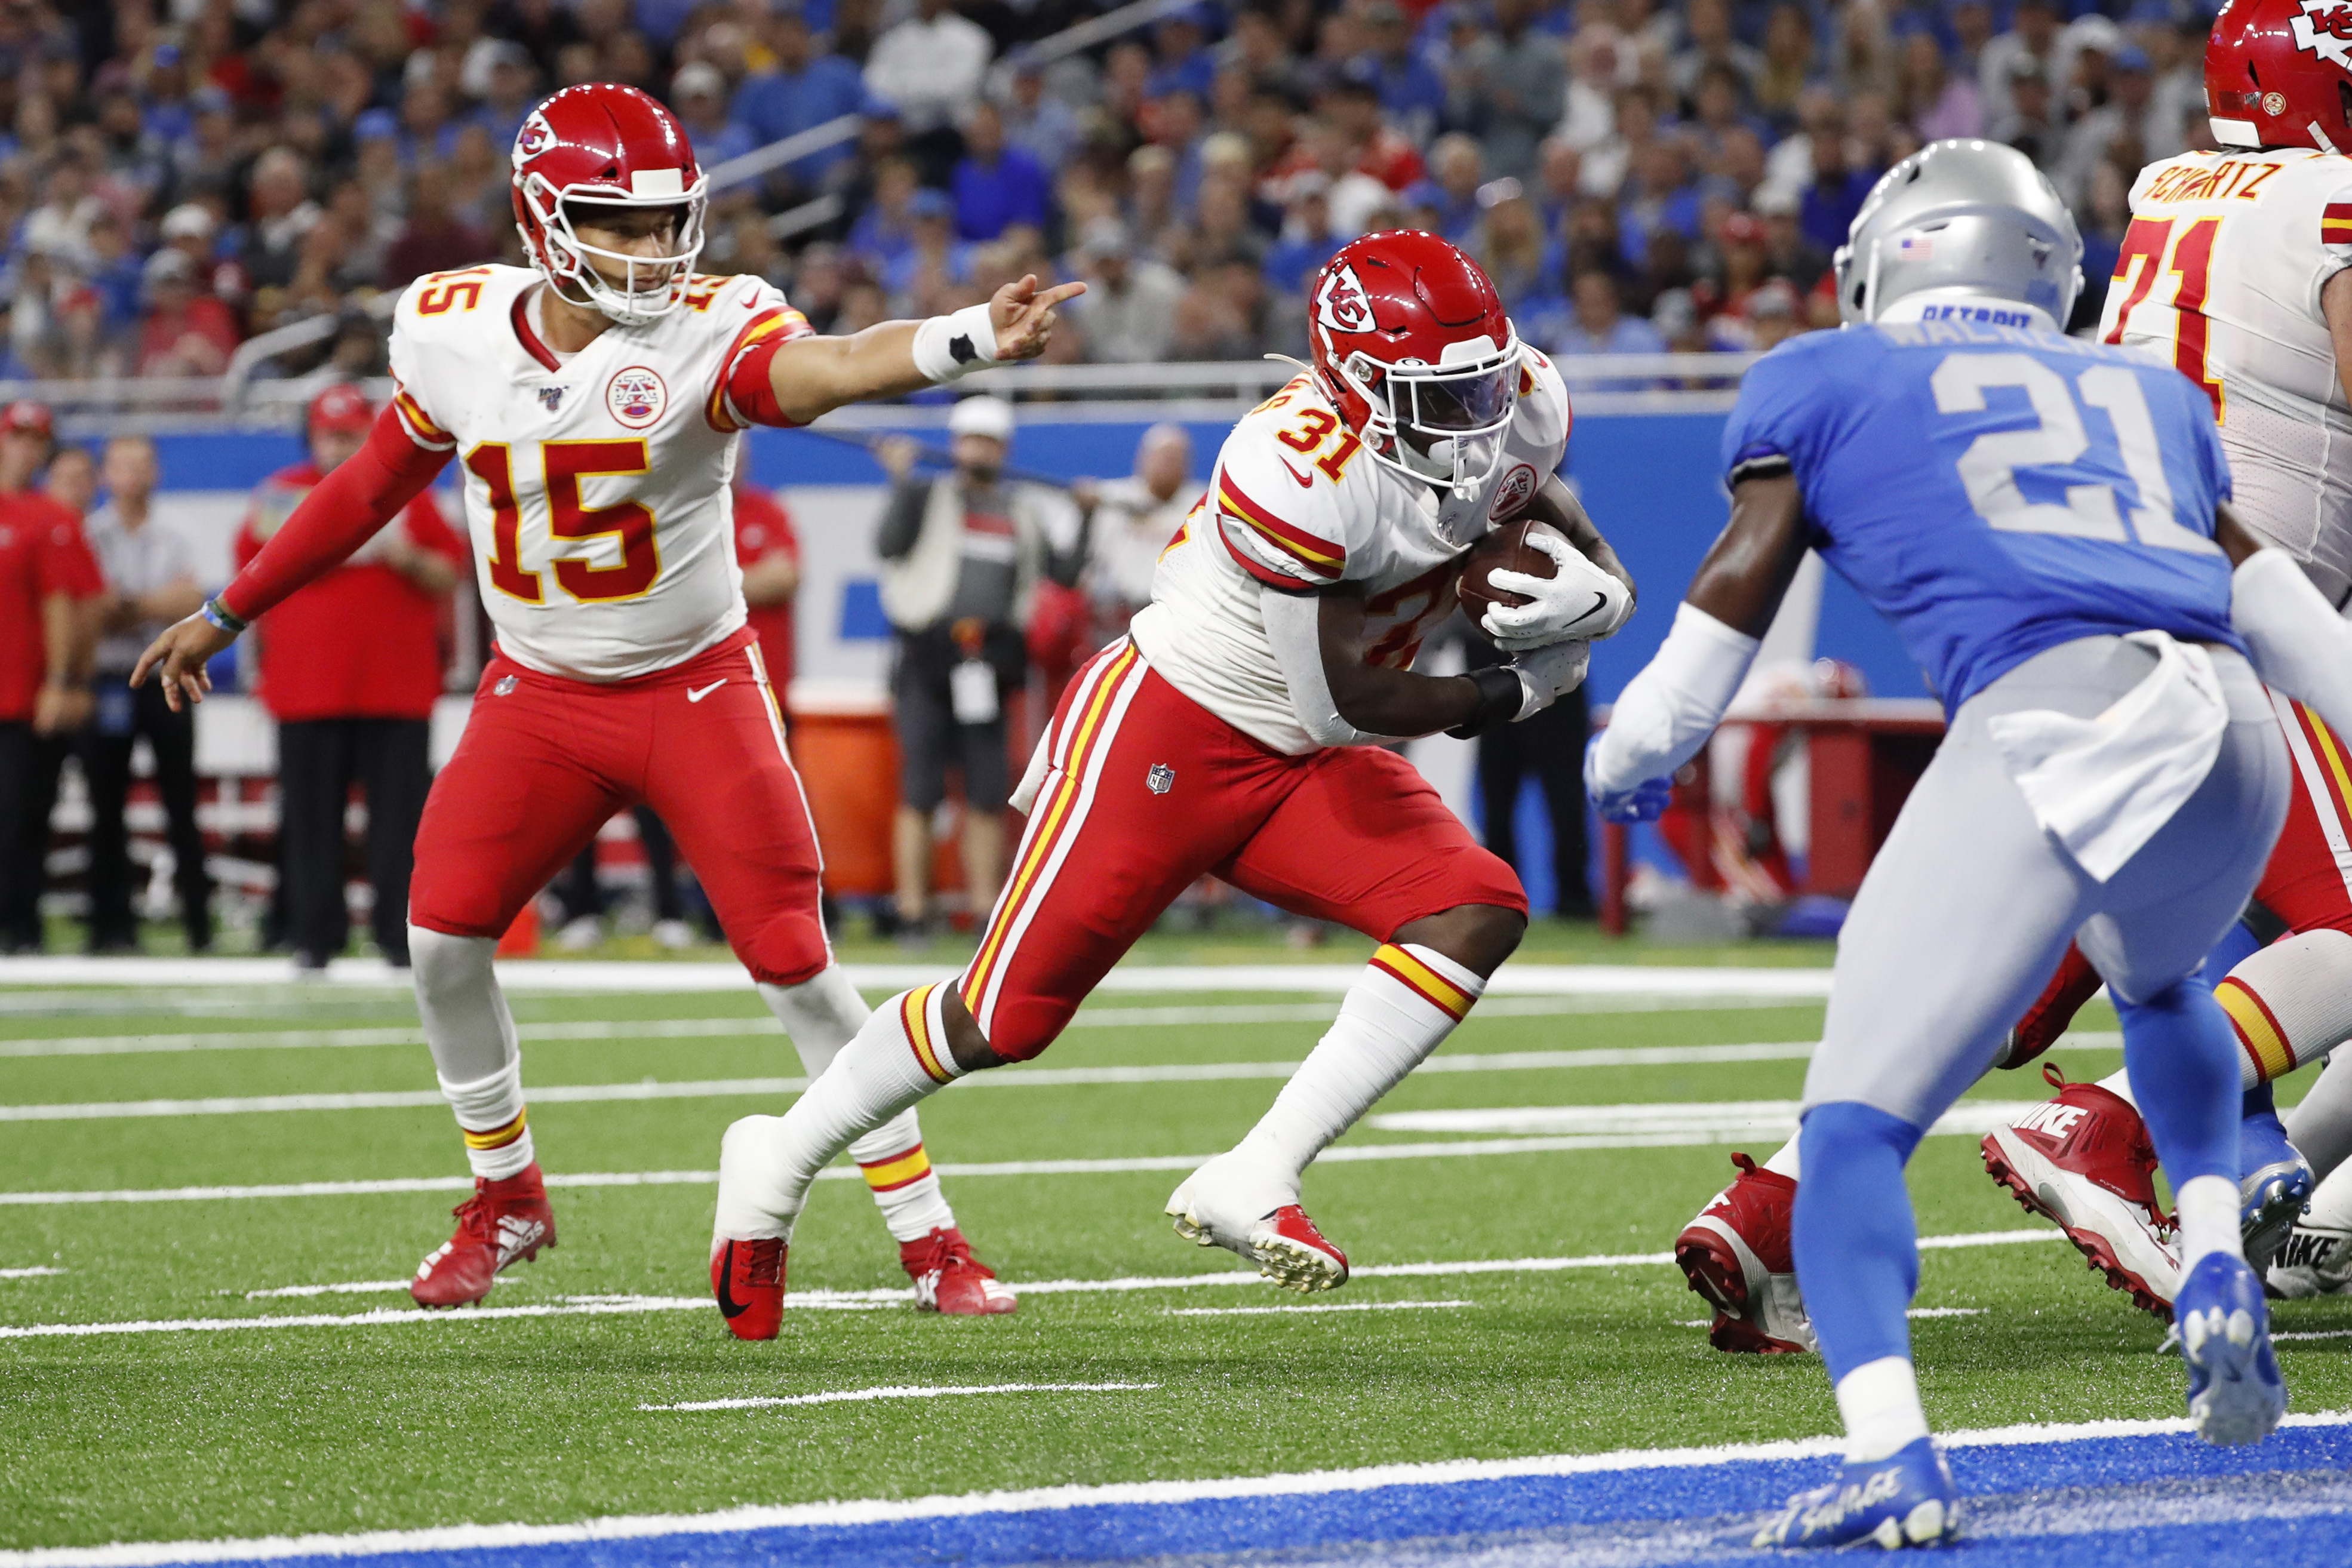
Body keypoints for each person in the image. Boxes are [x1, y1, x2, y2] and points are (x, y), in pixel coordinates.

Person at [135, 84, 1081, 1323]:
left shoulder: (711, 327)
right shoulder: (455, 327)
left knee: (796, 966)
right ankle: (505, 1191)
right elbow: (370, 483)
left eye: (662, 225)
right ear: (541, 214)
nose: (647, 251)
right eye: (615, 224)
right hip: (538, 696)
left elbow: (830, 366)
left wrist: (963, 337)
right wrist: (233, 605)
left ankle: (928, 1233)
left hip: (696, 687)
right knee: (438, 937)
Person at [1584, 140, 2352, 1545]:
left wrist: (1631, 752)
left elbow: (1726, 605)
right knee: (2167, 989)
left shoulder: (1819, 375)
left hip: (2049, 720)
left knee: (1851, 1129)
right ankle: (2205, 1260)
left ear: (1894, 255)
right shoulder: (2139, 391)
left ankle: (1889, 1455)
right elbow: (2283, 615)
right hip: (2230, 726)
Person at [709, 232, 1632, 1338]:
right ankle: (777, 1157)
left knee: (1472, 907)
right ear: (1352, 385)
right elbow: (1341, 701)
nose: (1480, 418)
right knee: (1002, 1016)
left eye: (1483, 379)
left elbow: (1565, 525)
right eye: (1442, 395)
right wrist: (1514, 693)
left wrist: (1606, 606)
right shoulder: (1294, 468)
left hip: (1301, 757)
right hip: (1177, 724)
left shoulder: (1519, 404)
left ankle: (1255, 1173)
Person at [1681, 0, 2352, 1350]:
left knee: (1999, 961)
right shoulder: (2330, 202)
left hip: (2067, 614)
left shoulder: (2170, 184)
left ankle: (1767, 1216)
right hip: (2227, 625)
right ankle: (2100, 1126)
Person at [234, 385, 466, 973]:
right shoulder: (281, 495)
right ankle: (313, 934)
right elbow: (251, 578)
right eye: (329, 433)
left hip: (396, 687)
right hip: (306, 688)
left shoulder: (407, 493)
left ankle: (397, 935)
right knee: (310, 818)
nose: (339, 444)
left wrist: (403, 556)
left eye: (350, 432)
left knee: (399, 820)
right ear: (311, 436)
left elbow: (450, 573)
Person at [874, 395, 1082, 937]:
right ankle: (912, 912)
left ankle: (986, 911)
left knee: (988, 791)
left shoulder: (1021, 512)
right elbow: (888, 545)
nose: (978, 450)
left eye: (988, 442)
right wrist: (898, 481)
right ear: (955, 445)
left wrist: (1083, 515)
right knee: (919, 789)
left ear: (1003, 449)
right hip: (926, 655)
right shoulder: (925, 495)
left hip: (990, 661)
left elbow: (1065, 574)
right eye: (970, 440)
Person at [81, 436, 211, 954]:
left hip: (168, 676)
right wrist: (153, 606)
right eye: (121, 464)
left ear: (155, 471)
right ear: (105, 474)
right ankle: (109, 928)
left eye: (141, 463)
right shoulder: (89, 532)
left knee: (181, 801)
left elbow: (191, 601)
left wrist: (127, 603)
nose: (132, 474)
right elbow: (90, 606)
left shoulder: (177, 529)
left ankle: (199, 926)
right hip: (110, 678)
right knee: (104, 803)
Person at [0, 401, 103, 954]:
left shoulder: (50, 518)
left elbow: (72, 607)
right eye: (17, 436)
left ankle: (20, 927)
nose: (26, 448)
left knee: (20, 817)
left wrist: (65, 681)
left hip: (21, 693)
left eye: (37, 439)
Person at [1083, 423, 1198, 639]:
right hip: (1116, 614)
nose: (1169, 465)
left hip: (1177, 619)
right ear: (1143, 459)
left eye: (1177, 459)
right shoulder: (1110, 499)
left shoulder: (1201, 507)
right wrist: (1085, 513)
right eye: (1163, 457)